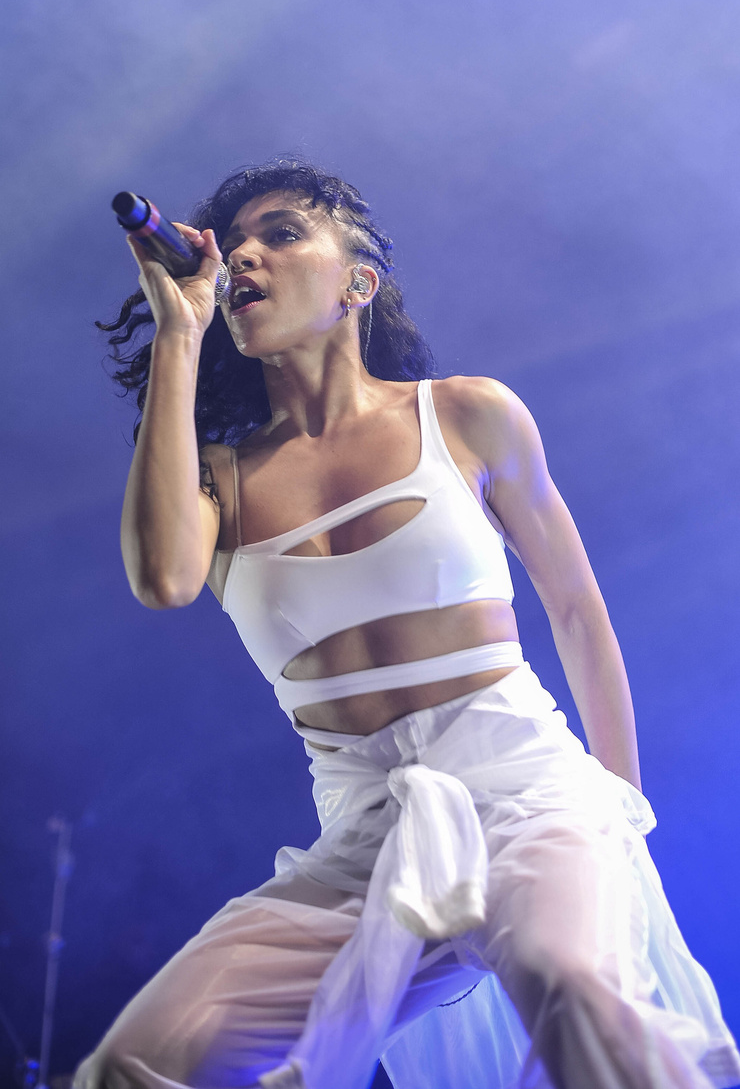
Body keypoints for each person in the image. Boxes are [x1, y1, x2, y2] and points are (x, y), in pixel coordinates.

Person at [76, 160, 740, 1089]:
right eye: (238, 245)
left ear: (358, 283)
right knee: (138, 1060)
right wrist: (179, 330)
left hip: (529, 793)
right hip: (364, 840)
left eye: (282, 233)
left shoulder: (468, 415)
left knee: (573, 984)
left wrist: (620, 817)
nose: (246, 256)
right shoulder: (217, 481)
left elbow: (577, 611)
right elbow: (162, 580)